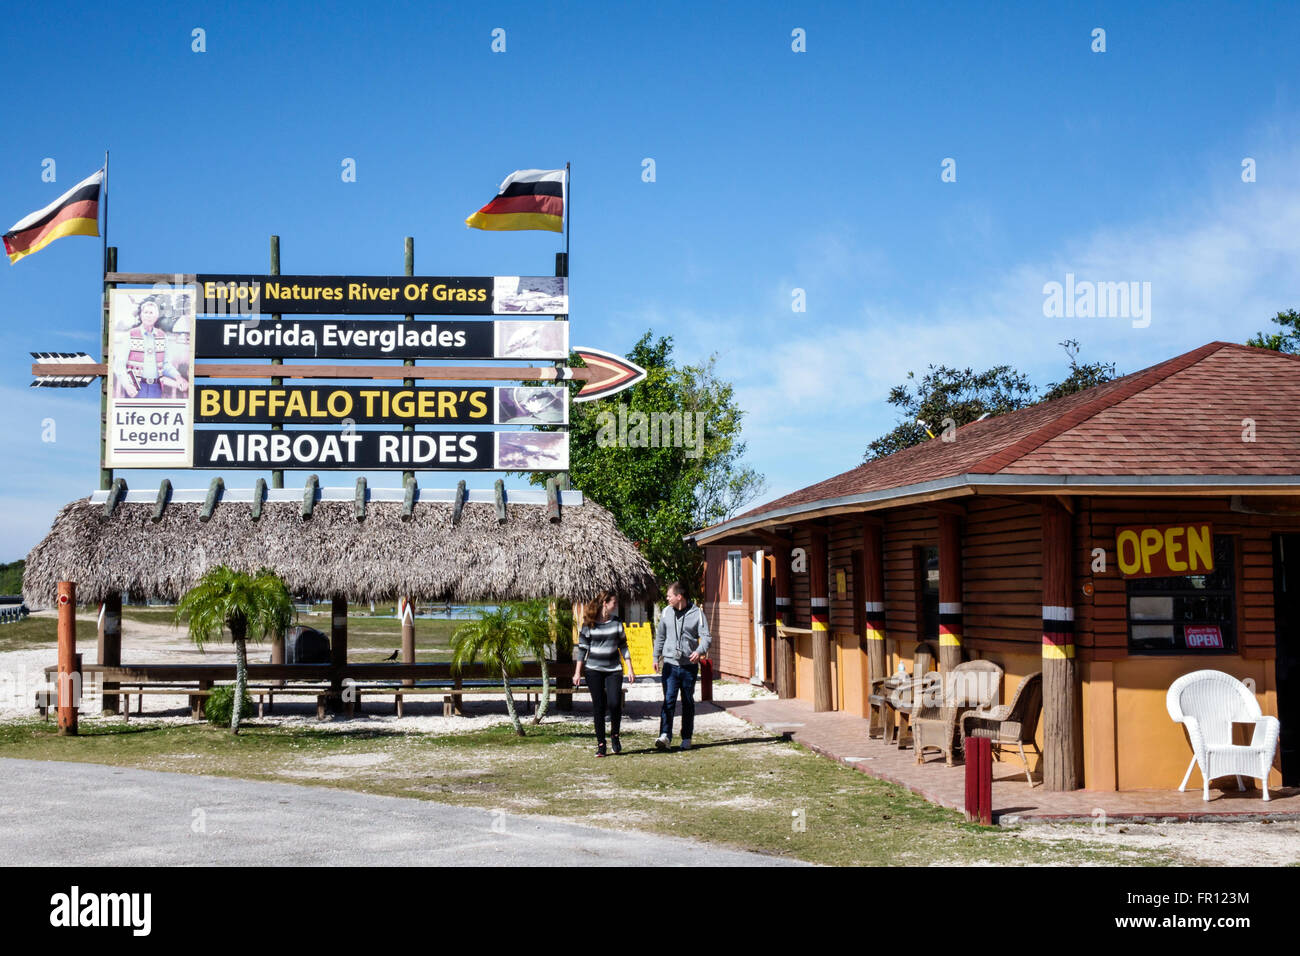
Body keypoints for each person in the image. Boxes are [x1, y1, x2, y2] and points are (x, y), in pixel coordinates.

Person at [653, 581, 712, 751]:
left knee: (687, 702)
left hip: (688, 666)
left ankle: (686, 737)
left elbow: (706, 636)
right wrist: (655, 657)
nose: (667, 598)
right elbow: (660, 637)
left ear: (679, 597)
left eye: (669, 596)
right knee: (669, 700)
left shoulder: (697, 614)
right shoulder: (666, 612)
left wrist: (699, 650)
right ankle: (665, 735)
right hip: (670, 665)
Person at [575, 591, 635, 757]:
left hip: (614, 669)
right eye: (613, 603)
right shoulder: (589, 623)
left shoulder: (617, 622)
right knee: (599, 707)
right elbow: (582, 649)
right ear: (605, 604)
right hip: (593, 670)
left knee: (615, 703)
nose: (616, 606)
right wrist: (577, 672)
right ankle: (601, 744)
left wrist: (630, 668)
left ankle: (615, 735)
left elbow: (623, 645)